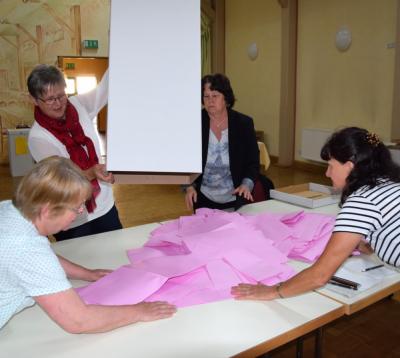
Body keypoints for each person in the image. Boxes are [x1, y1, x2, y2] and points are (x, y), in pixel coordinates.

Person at [0, 156, 176, 332]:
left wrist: (86, 273)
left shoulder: (10, 209)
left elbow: (41, 254)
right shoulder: (26, 248)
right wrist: (138, 311)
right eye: (76, 207)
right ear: (47, 210)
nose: (80, 212)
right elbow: (79, 321)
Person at [231, 127, 400, 301]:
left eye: (330, 166)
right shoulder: (388, 183)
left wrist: (273, 291)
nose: (327, 173)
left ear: (350, 166)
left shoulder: (362, 201)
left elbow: (319, 276)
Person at [27, 64, 122, 240]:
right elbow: (63, 179)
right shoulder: (38, 137)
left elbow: (106, 88)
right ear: (34, 99)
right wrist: (92, 172)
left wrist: (122, 50)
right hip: (71, 218)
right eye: (50, 99)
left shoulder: (78, 105)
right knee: (83, 263)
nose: (58, 104)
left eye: (62, 95)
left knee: (115, 257)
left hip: (104, 206)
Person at [184, 74, 260, 212]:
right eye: (206, 96)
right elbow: (184, 160)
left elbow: (253, 162)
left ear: (226, 98)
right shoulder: (193, 122)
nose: (210, 101)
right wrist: (188, 187)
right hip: (203, 199)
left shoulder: (243, 123)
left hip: (236, 198)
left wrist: (246, 185)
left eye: (215, 95)